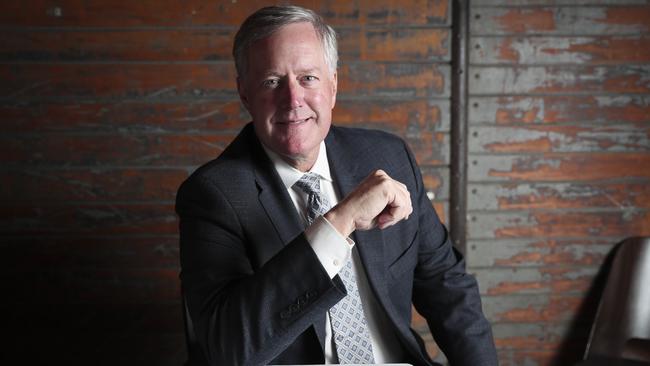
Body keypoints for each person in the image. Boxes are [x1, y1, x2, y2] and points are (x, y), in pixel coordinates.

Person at [176, 5, 497, 366]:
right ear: (245, 93)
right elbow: (227, 349)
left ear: (333, 85)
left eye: (308, 78)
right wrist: (339, 222)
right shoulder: (213, 194)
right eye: (271, 82)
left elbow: (447, 287)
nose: (293, 99)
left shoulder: (389, 156)